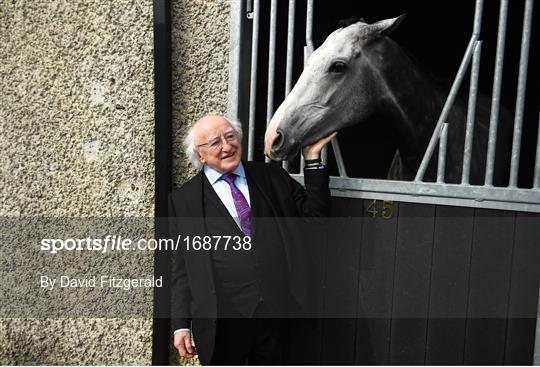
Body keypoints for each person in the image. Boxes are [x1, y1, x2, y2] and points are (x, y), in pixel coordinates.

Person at [168, 114, 336, 365]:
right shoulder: (184, 201)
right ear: (200, 155)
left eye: (230, 136)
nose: (226, 146)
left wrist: (312, 160)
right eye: (215, 142)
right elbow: (182, 269)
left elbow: (316, 215)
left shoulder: (270, 176)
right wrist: (181, 324)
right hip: (222, 323)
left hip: (276, 315)